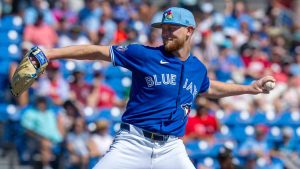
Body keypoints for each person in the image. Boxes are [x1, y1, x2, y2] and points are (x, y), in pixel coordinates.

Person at [32, 7, 275, 169]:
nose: (165, 32)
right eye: (163, 28)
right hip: (133, 141)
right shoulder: (144, 54)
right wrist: (49, 54)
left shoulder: (196, 68)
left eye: (172, 28)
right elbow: (97, 51)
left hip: (171, 147)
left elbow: (209, 87)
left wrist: (249, 87)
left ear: (189, 31)